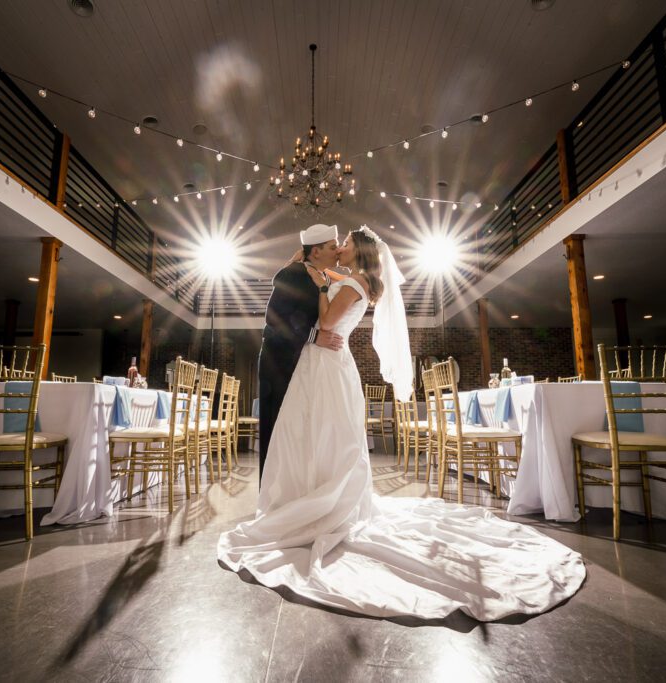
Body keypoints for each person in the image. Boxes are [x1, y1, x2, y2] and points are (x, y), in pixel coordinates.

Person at [218, 226, 586, 622]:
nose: (338, 249)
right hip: (329, 368)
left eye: (343, 245)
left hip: (325, 365)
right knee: (321, 436)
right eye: (332, 246)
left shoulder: (350, 284)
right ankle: (312, 490)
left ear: (357, 252)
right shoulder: (358, 280)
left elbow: (326, 325)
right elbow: (332, 282)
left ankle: (321, 500)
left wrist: (318, 284)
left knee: (323, 436)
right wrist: (309, 268)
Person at [256, 223, 343, 481]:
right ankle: (271, 491)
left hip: (299, 360)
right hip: (278, 362)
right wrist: (315, 336)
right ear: (315, 252)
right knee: (276, 426)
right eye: (332, 247)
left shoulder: (317, 275)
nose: (337, 251)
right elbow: (273, 319)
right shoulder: (295, 273)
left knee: (295, 428)